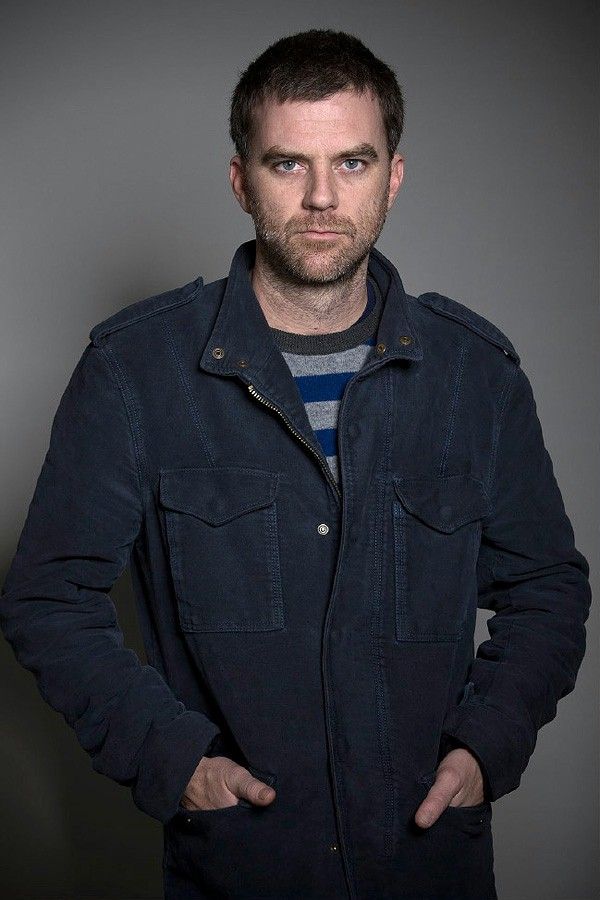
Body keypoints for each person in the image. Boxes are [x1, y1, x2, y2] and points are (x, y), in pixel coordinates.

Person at [0, 28, 592, 900]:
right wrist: (174, 760)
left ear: (393, 176)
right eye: (288, 164)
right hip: (239, 869)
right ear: (242, 180)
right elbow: (49, 597)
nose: (321, 197)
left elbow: (547, 587)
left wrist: (485, 746)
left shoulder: (476, 375)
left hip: (429, 869)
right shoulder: (135, 373)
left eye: (352, 162)